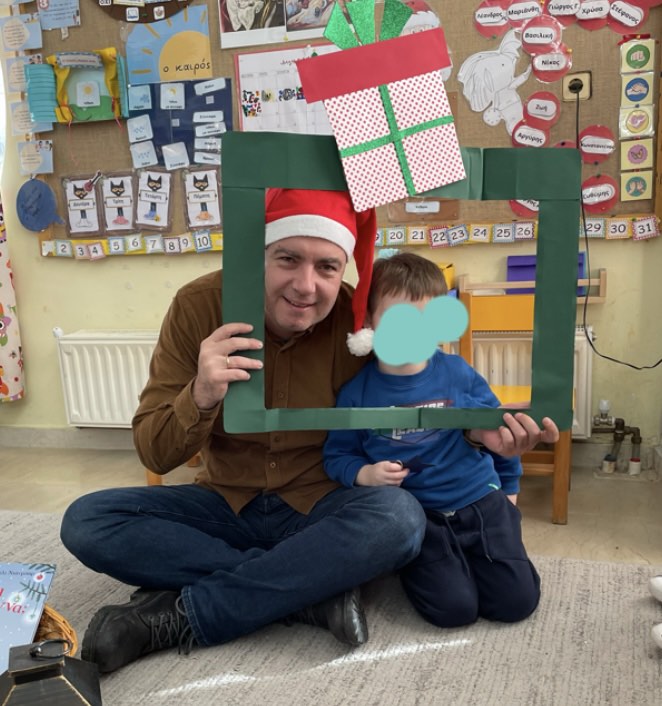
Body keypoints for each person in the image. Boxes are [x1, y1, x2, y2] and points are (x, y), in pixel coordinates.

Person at [60, 188, 429, 674]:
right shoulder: (199, 305)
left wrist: (480, 435)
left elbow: (428, 399)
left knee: (400, 519)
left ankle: (180, 615)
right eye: (288, 259)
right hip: (223, 503)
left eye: (327, 267)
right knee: (87, 521)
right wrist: (201, 393)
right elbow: (154, 452)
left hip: (322, 505)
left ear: (343, 270)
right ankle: (308, 589)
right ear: (260, 254)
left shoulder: (358, 321)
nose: (306, 286)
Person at [324, 252, 558, 629]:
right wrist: (365, 473)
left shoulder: (458, 374)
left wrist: (510, 492)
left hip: (481, 502)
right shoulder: (356, 393)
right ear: (369, 321)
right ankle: (426, 564)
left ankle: (476, 557)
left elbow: (499, 431)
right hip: (421, 518)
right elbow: (337, 455)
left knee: (516, 602)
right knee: (454, 610)